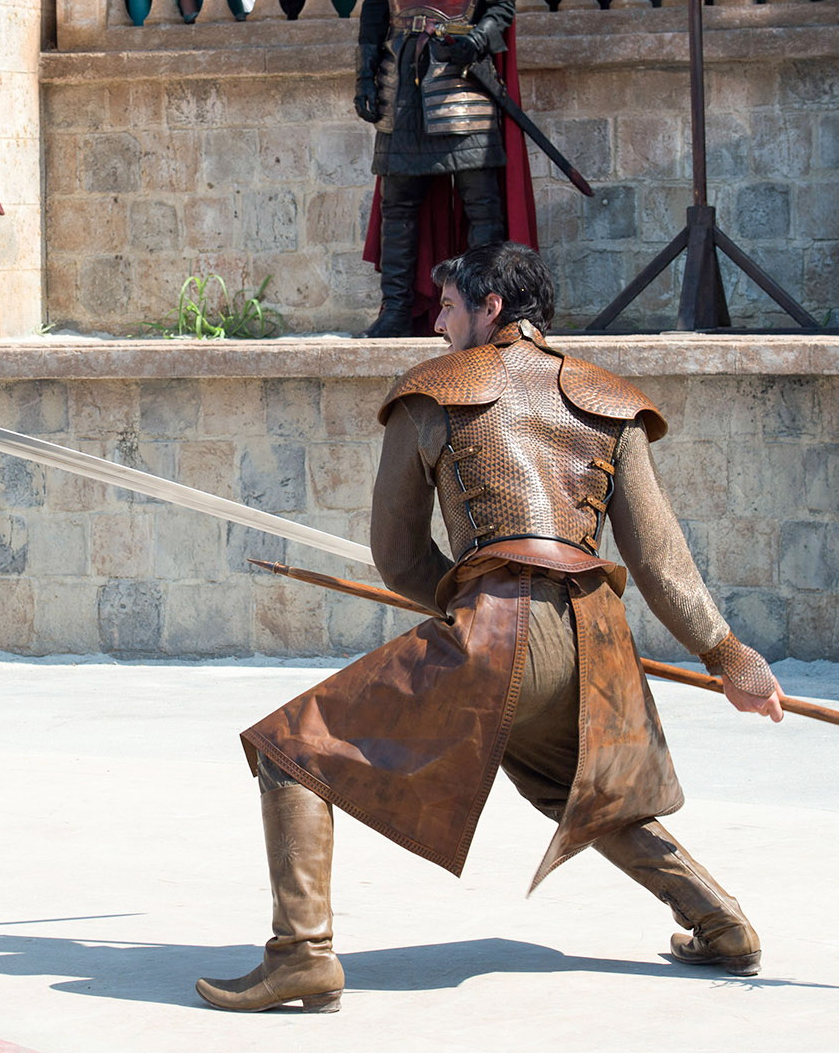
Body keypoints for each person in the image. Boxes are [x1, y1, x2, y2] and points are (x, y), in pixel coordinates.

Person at [197, 242, 786, 1013]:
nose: (438, 326)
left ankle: (300, 954)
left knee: (290, 749)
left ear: (492, 308)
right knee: (585, 795)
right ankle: (721, 924)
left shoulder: (432, 392)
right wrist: (729, 654)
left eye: (447, 308)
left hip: (498, 631)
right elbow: (660, 558)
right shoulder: (613, 402)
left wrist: (469, 616)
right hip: (596, 640)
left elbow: (399, 556)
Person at [354, 0, 533, 338]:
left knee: (482, 205)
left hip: (462, 82)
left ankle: (484, 311)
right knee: (397, 205)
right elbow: (375, 10)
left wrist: (477, 39)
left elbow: (501, 6)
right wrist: (364, 76)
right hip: (399, 77)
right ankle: (396, 310)